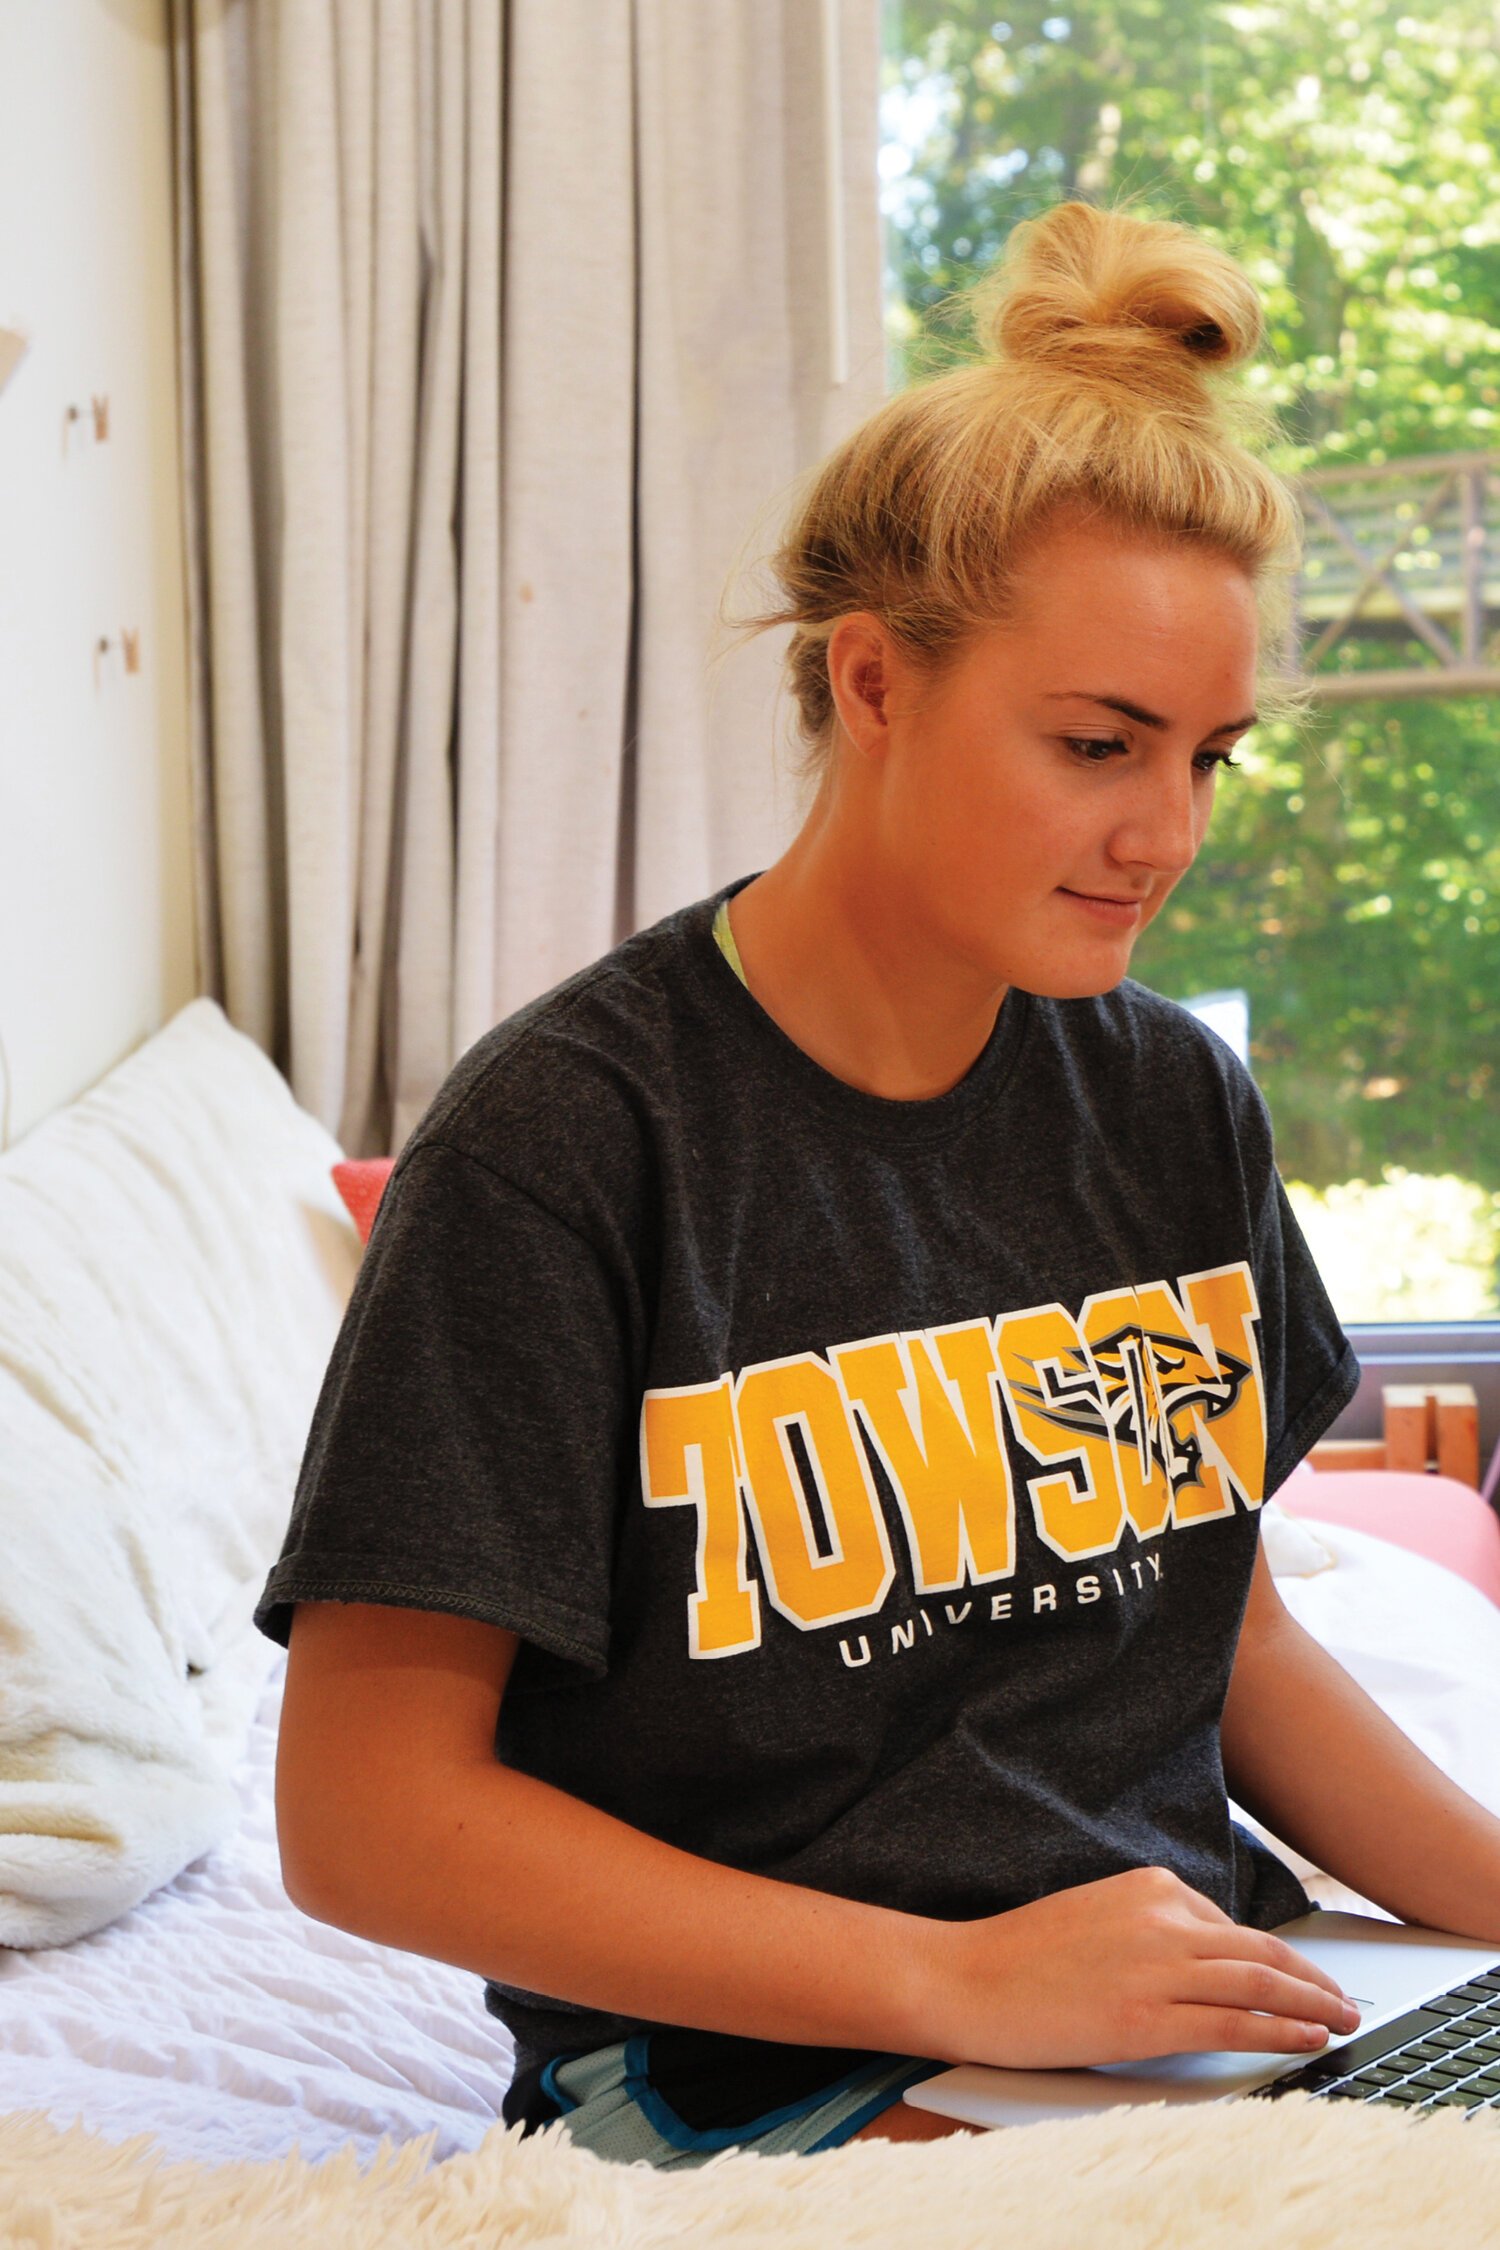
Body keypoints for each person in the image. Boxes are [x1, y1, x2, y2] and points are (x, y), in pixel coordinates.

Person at [254, 200, 1500, 2171]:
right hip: (753, 2077)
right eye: (1099, 743)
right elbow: (365, 1814)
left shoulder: (1172, 1099)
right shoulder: (575, 1138)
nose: (1162, 832)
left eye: (1210, 759)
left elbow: (1228, 1638)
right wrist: (965, 1984)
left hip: (1185, 2023)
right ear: (873, 683)